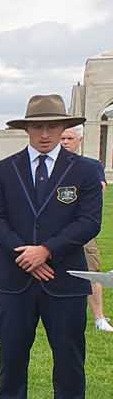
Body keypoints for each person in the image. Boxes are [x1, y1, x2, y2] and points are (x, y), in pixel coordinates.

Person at [0, 94, 103, 399]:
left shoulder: (84, 170)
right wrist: (25, 254)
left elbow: (88, 222)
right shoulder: (4, 170)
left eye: (53, 126)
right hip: (16, 278)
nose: (45, 134)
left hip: (63, 278)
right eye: (38, 126)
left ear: (66, 128)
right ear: (27, 129)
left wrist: (47, 250)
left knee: (68, 356)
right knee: (13, 352)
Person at [60, 126, 111, 332]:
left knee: (91, 271)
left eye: (69, 138)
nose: (64, 142)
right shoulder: (51, 166)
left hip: (81, 229)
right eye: (62, 138)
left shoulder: (91, 166)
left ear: (79, 140)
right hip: (54, 228)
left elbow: (97, 192)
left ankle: (99, 318)